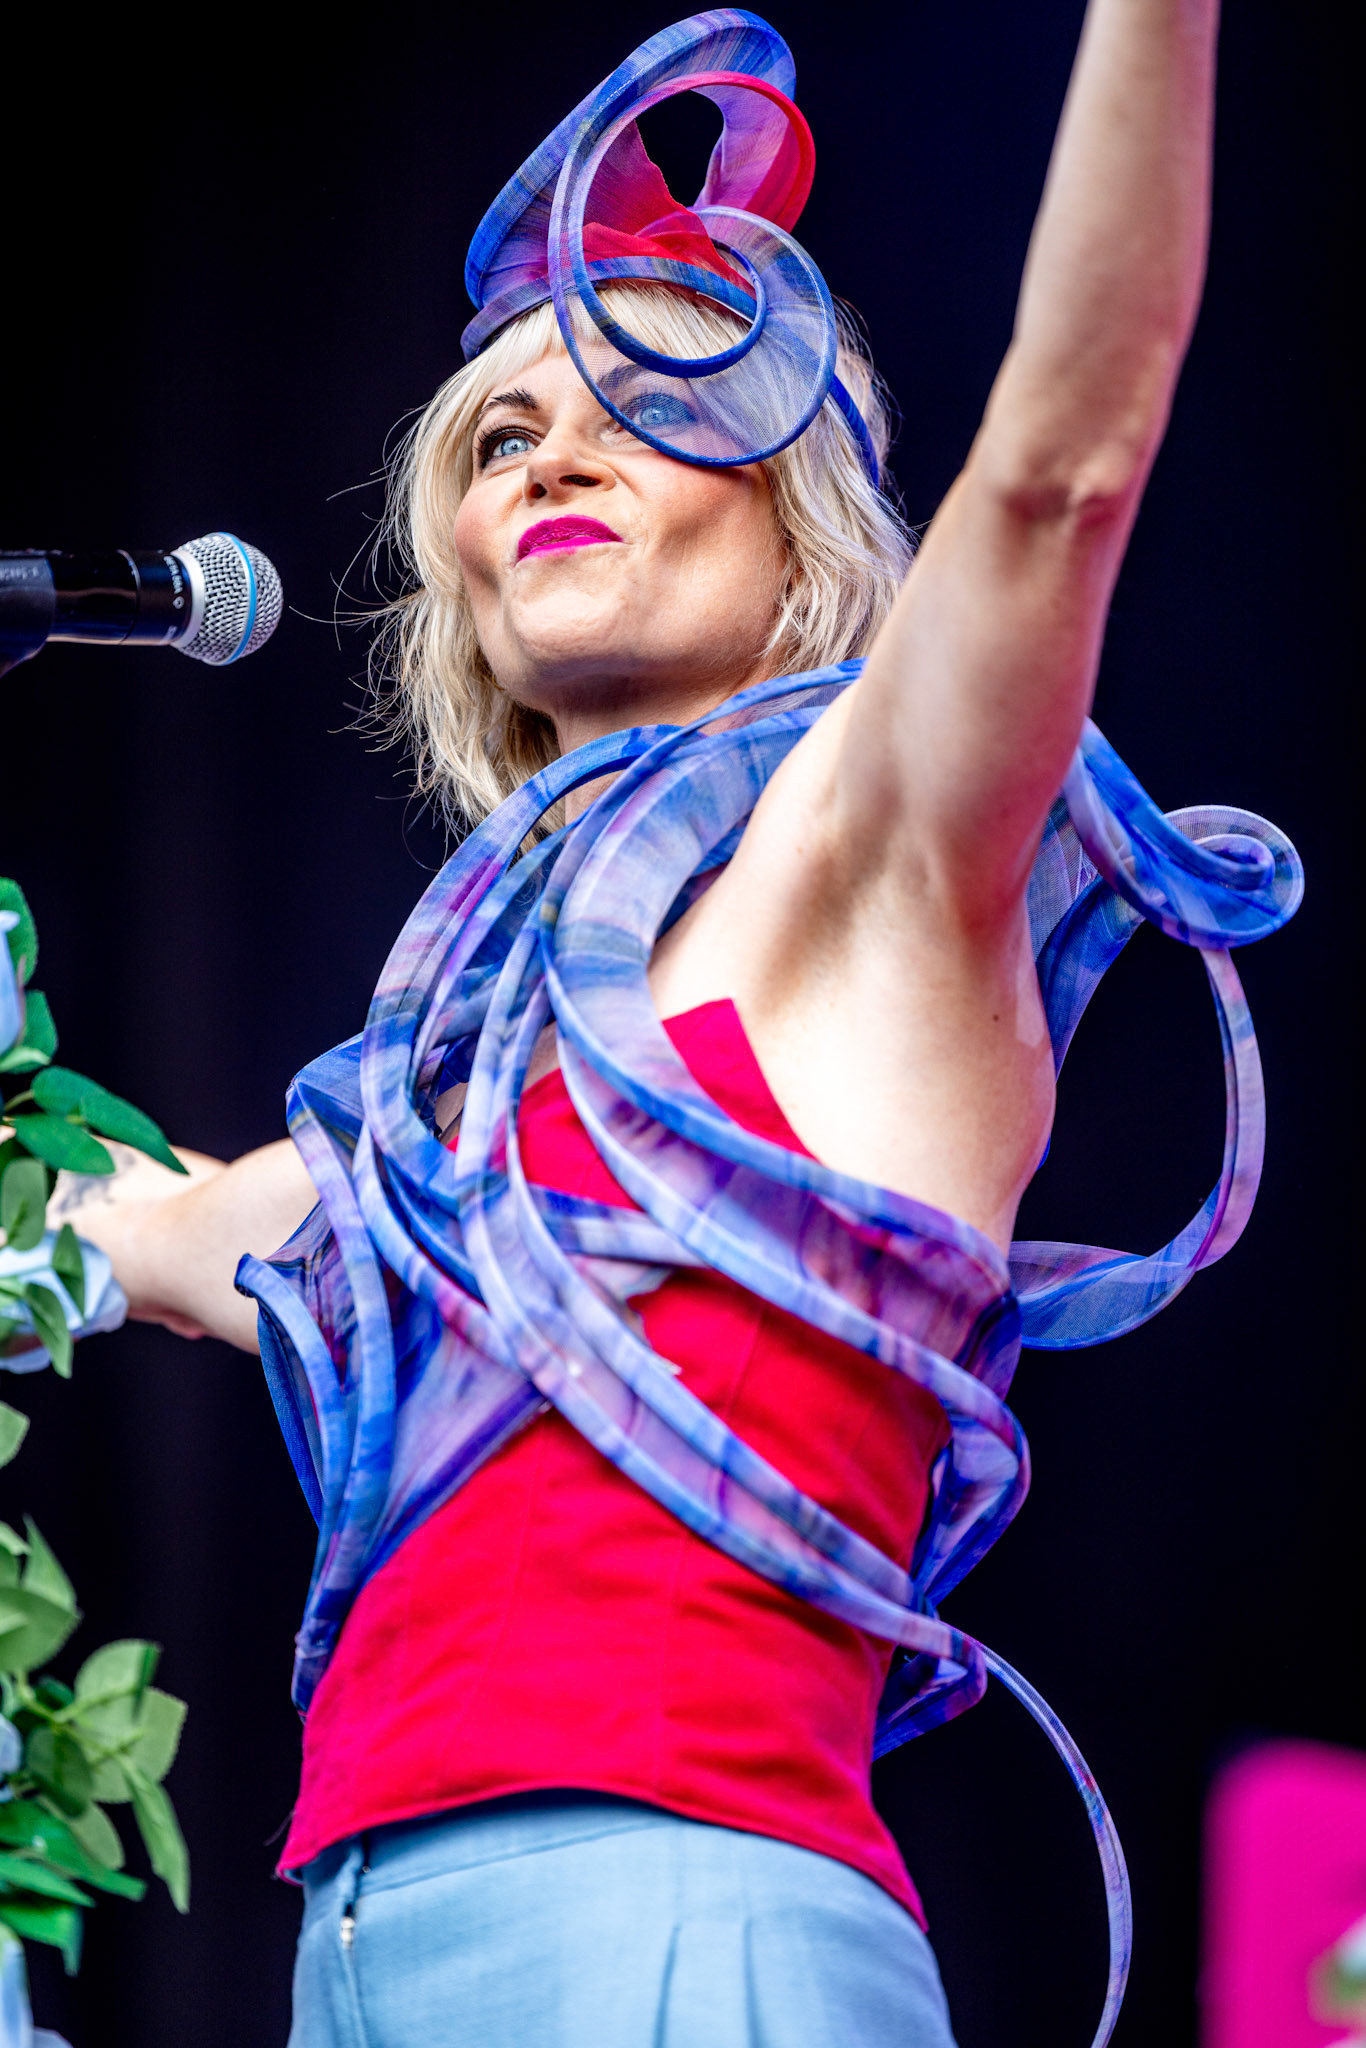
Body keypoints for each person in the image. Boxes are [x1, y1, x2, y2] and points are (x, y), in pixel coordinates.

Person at [54, 7, 1301, 2044]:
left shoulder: (883, 869)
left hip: (673, 1906)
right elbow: (99, 1221)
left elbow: (1061, 471)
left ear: (792, 496)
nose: (552, 453)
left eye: (644, 399)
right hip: (351, 1946)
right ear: (463, 585)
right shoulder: (430, 1126)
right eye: (499, 437)